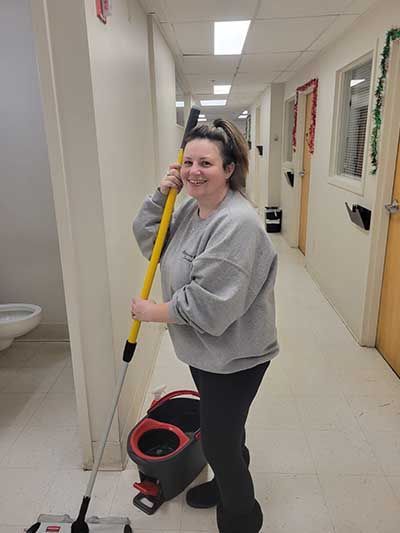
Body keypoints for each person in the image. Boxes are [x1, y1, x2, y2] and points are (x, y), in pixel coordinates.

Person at [131, 119, 279, 533]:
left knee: (217, 437)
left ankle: (241, 516)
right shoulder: (192, 210)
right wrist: (162, 194)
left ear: (229, 169)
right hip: (208, 352)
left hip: (236, 356)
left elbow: (210, 307)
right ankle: (225, 481)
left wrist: (152, 312)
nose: (194, 170)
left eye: (207, 163)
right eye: (189, 161)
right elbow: (151, 241)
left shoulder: (237, 223)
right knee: (225, 429)